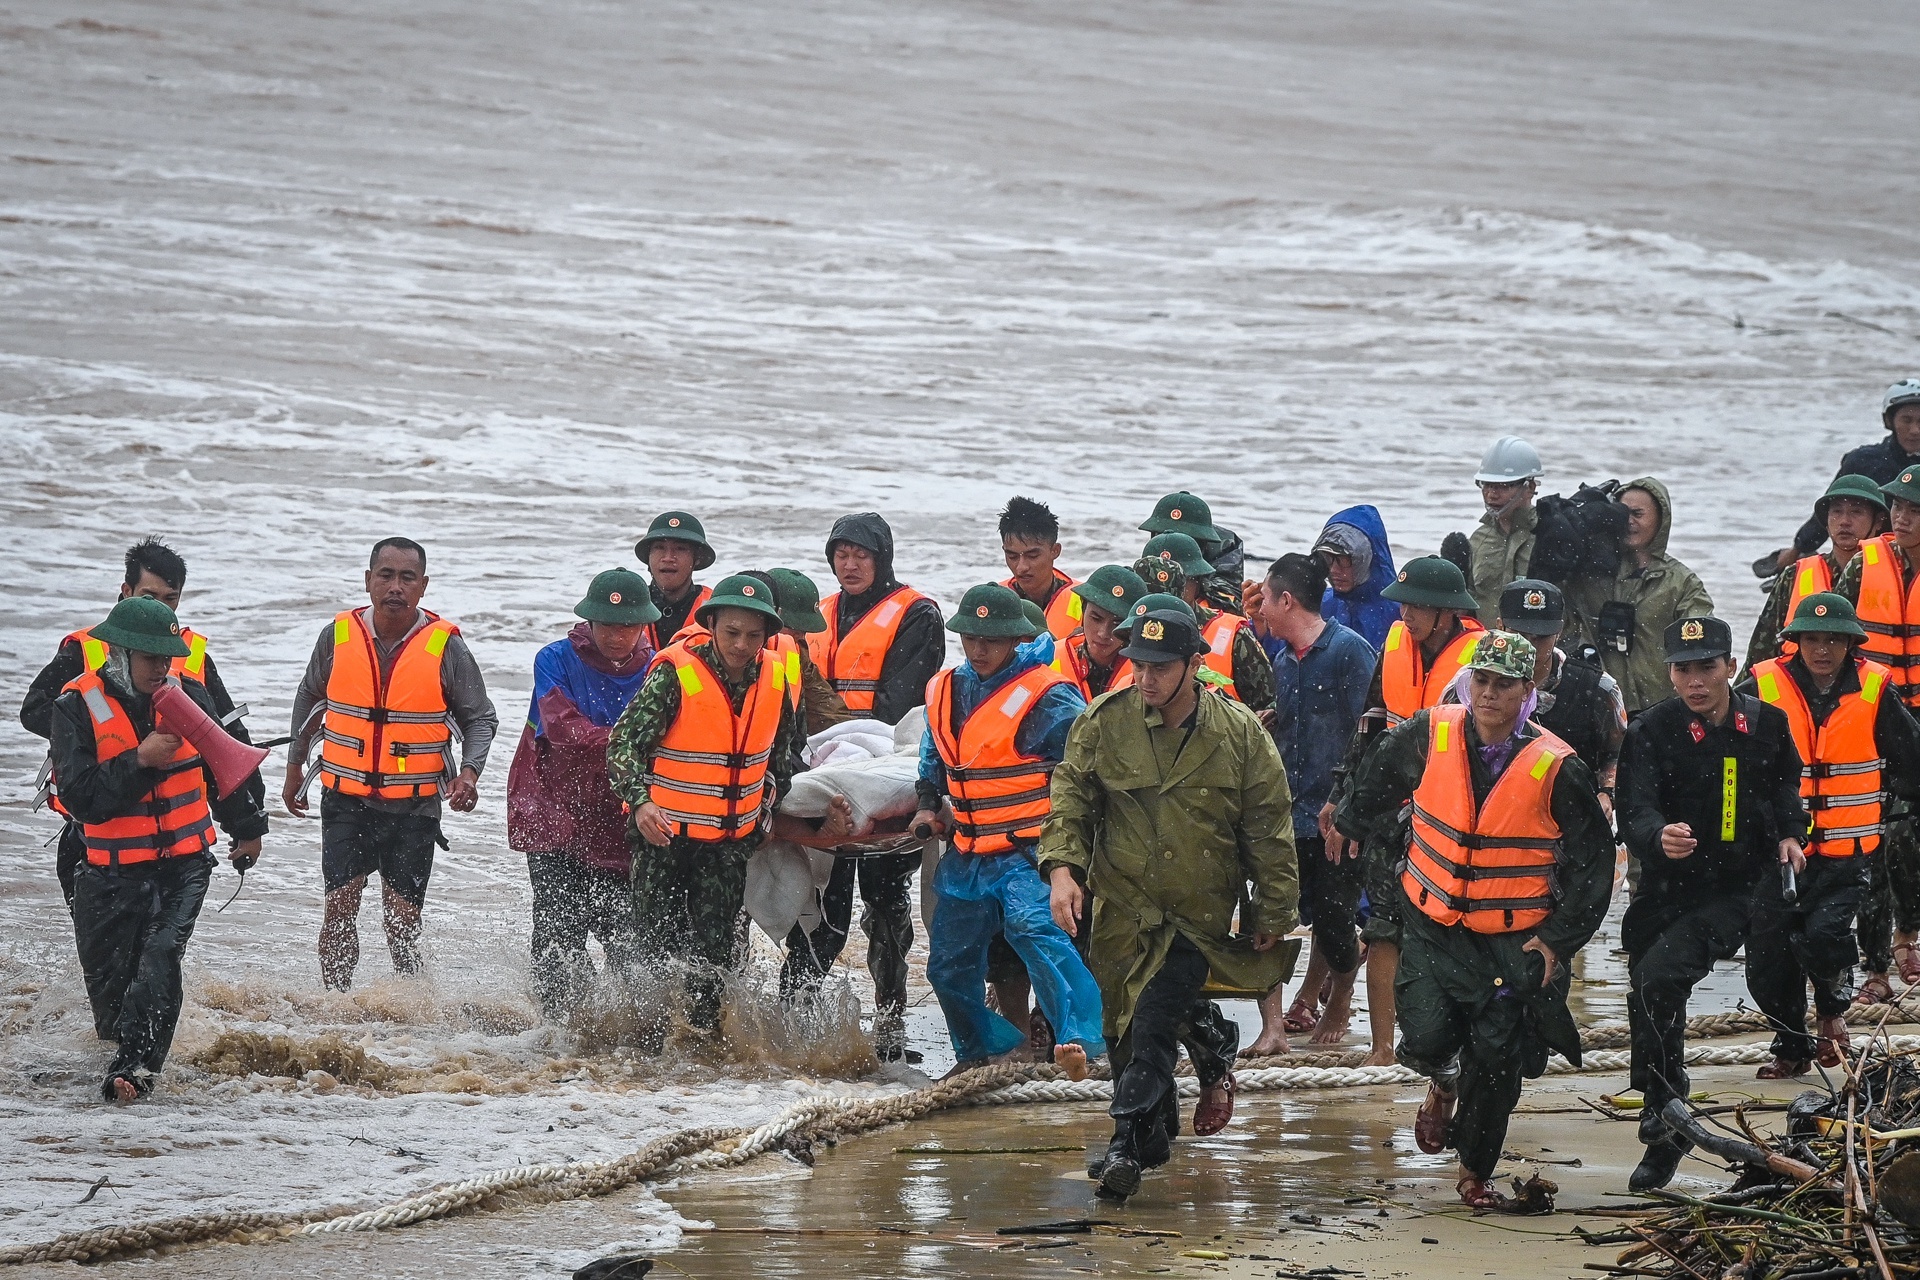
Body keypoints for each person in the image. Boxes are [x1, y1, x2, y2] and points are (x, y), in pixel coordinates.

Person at [1341, 630, 1612, 1208]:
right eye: (1481, 681)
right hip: (1432, 925)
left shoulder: (1558, 767)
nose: (1489, 694)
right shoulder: (1428, 733)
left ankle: (1474, 1171)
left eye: (1504, 684)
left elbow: (1594, 865)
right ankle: (1442, 1083)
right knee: (1427, 1035)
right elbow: (1376, 777)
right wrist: (1350, 822)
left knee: (1496, 1060)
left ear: (1527, 691)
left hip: (1513, 942)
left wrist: (1556, 942)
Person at [1042, 599, 1299, 1202]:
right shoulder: (1105, 722)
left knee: (1153, 1016)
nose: (1145, 677)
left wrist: (1272, 911)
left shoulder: (1239, 735)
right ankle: (1185, 1085)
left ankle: (1124, 1144)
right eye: (1138, 664)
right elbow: (1071, 802)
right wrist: (1061, 871)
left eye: (1160, 666)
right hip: (1120, 909)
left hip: (1195, 915)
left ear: (1192, 664)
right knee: (1122, 1029)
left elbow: (1269, 828)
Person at [49, 597, 268, 1101]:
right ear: (119, 653)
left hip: (184, 865)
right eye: (151, 658)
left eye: (167, 657)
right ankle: (124, 1057)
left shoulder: (189, 693)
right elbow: (81, 799)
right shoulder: (74, 707)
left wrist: (248, 828)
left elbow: (223, 766)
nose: (162, 668)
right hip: (108, 872)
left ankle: (136, 1074)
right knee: (112, 1002)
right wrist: (140, 760)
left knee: (161, 955)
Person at [1617, 616, 1808, 1191]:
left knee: (1660, 977)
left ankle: (1664, 1111)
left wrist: (1790, 833)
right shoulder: (1651, 729)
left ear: (1731, 666)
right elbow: (1634, 808)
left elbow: (1785, 785)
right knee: (1649, 992)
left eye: (1707, 667)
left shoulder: (1767, 724)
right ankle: (1665, 1114)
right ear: (1669, 673)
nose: (1695, 681)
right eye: (1683, 669)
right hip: (1665, 889)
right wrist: (1657, 835)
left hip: (1737, 888)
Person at [284, 538, 499, 990]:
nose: (395, 587)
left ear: (423, 586)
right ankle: (335, 1005)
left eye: (407, 578)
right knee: (339, 908)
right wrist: (294, 768)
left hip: (414, 805)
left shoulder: (446, 646)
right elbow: (309, 697)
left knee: (402, 922)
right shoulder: (337, 637)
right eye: (385, 575)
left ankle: (409, 1009)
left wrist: (469, 772)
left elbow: (480, 718)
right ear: (368, 581)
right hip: (346, 797)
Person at [913, 584, 1105, 1075]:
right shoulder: (943, 690)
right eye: (971, 637)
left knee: (1036, 930)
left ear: (1016, 639)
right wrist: (927, 806)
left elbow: (1086, 771)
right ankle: (981, 1050)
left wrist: (1075, 852)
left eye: (992, 639)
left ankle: (1082, 1043)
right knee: (947, 962)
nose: (979, 648)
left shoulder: (1050, 696)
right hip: (968, 853)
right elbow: (932, 761)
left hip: (1030, 851)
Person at [606, 576, 803, 1044]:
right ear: (711, 625)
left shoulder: (775, 679)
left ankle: (703, 1046)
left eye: (753, 635)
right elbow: (622, 745)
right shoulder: (675, 673)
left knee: (715, 954)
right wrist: (640, 804)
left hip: (728, 845)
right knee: (655, 946)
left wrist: (766, 813)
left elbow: (781, 760)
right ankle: (645, 1045)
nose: (741, 645)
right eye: (732, 632)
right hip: (663, 838)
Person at [22, 539, 263, 909]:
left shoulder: (194, 656)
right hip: (93, 825)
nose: (159, 608)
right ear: (126, 591)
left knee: (163, 940)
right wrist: (99, 735)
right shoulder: (86, 648)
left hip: (175, 838)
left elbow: (230, 741)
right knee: (100, 943)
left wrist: (249, 823)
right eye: (149, 596)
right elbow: (35, 709)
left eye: (170, 599)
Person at [1741, 594, 1920, 1074]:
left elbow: (1911, 762)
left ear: (1850, 644)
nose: (1822, 650)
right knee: (1767, 961)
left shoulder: (1875, 690)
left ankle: (1832, 1014)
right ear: (1796, 641)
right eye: (1813, 639)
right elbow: (1722, 751)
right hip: (1776, 850)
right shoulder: (1760, 686)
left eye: (1834, 640)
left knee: (1825, 936)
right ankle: (1791, 1048)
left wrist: (1901, 813)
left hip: (1847, 851)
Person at [797, 512, 946, 1058]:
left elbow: (900, 704)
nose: (850, 564)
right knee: (823, 908)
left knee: (885, 903)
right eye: (841, 554)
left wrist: (845, 742)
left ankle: (890, 1021)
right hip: (823, 775)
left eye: (861, 554)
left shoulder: (918, 615)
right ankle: (798, 1023)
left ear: (882, 558)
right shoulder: (817, 614)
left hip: (888, 774)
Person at [1329, 555, 1485, 1066]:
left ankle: (1446, 1039)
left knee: (1449, 925)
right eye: (1403, 605)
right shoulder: (1394, 644)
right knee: (1382, 925)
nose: (1406, 615)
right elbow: (1369, 725)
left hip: (1451, 814)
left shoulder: (1480, 662)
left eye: (1417, 606)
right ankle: (1381, 1049)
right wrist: (1342, 795)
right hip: (1389, 808)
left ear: (1447, 611)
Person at [506, 568, 659, 1020]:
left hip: (620, 813)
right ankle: (557, 1031)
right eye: (607, 624)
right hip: (552, 805)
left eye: (627, 625)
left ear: (644, 624)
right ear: (589, 621)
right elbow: (561, 727)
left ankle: (621, 1030)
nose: (617, 635)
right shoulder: (553, 659)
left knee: (627, 935)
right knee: (557, 927)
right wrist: (629, 742)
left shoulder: (659, 668)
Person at [1244, 553, 1374, 1055]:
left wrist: (1349, 807)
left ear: (1286, 600)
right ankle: (1279, 1020)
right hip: (1288, 813)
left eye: (1266, 600)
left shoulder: (1349, 651)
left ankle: (1339, 997)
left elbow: (1371, 732)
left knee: (1336, 918)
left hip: (1337, 814)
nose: (1261, 610)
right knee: (1279, 913)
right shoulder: (1281, 660)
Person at [1835, 468, 1920, 991]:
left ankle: (1908, 933)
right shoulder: (1865, 565)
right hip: (1875, 716)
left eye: (1914, 509)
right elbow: (1835, 637)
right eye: (1898, 507)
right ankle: (1876, 965)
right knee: (1875, 837)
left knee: (1910, 839)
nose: (1902, 517)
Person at [1566, 479, 1714, 719]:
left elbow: (1703, 645)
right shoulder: (1591, 574)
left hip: (1663, 710)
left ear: (1660, 520)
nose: (1629, 522)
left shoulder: (1680, 582)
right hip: (1600, 707)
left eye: (1637, 514)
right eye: (1622, 513)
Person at [1497, 579, 1626, 810]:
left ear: (1559, 631)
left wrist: (1607, 794)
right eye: (1520, 635)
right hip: (1495, 812)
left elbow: (1620, 752)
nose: (1530, 647)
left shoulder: (1599, 687)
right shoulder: (1469, 685)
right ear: (1500, 627)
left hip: (1571, 814)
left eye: (1541, 637)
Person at [1745, 476, 1889, 670]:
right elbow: (1762, 650)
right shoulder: (1794, 575)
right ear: (1826, 521)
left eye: (1856, 512)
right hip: (1801, 686)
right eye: (1836, 512)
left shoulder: (1899, 574)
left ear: (1879, 521)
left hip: (1876, 685)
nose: (1844, 521)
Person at [1775, 379, 1920, 565]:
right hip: (1871, 559)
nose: (1915, 430)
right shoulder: (1863, 461)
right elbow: (1832, 508)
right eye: (1906, 420)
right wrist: (1799, 548)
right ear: (1889, 421)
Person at [1134, 533, 1275, 712]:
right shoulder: (1121, 629)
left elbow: (1270, 706)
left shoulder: (1234, 633)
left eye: (1180, 581)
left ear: (1198, 582)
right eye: (1151, 586)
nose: (1164, 593)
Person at [764, 567, 855, 734]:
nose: (800, 634)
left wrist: (855, 734)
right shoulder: (728, 648)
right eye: (793, 626)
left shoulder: (797, 652)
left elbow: (826, 708)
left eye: (804, 629)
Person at [1467, 435, 1546, 627]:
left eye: (1503, 486)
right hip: (1486, 643)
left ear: (1530, 487)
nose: (1491, 494)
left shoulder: (1548, 537)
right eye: (1486, 485)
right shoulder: (1478, 540)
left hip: (1537, 644)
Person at [1139, 490, 1246, 617]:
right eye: (1162, 533)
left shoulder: (1225, 547)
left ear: (1203, 541)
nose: (1170, 539)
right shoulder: (1151, 557)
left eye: (1183, 537)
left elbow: (1229, 597)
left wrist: (1195, 580)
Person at [1055, 565, 1150, 700]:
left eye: (1117, 624)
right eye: (1096, 618)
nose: (1103, 633)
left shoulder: (1148, 673)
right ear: (1083, 609)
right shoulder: (1050, 657)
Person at [1314, 505, 1399, 653]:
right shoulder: (1318, 605)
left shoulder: (1402, 613)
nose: (1334, 570)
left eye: (1344, 560)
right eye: (1327, 559)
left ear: (1368, 559)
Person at [998, 496, 1081, 640]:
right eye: (1012, 556)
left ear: (1055, 551)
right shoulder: (995, 599)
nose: (1021, 567)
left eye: (1032, 556)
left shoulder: (1085, 600)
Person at [633, 511, 716, 651]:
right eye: (659, 547)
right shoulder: (629, 603)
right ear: (648, 556)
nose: (668, 558)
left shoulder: (714, 607)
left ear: (697, 558)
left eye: (680, 548)